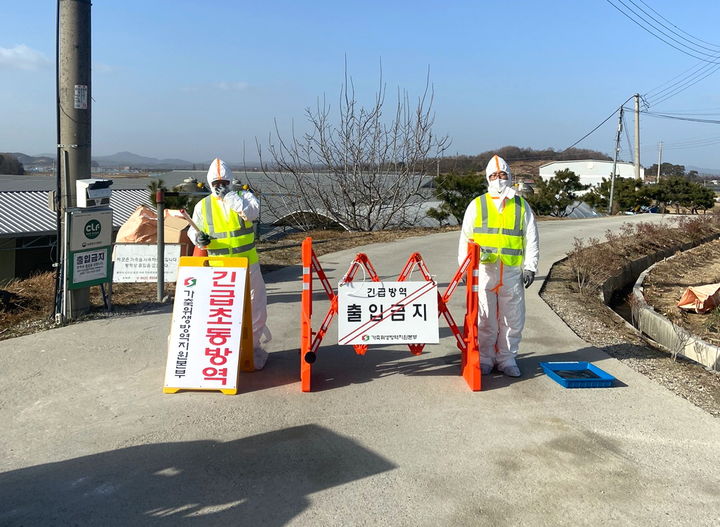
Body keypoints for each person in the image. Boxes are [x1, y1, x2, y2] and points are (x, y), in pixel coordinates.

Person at [457, 155, 539, 377]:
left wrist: (530, 266)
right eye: (494, 175)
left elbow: (530, 238)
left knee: (512, 318)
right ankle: (485, 358)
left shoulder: (521, 205)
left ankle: (507, 359)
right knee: (485, 318)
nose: (499, 179)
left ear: (510, 177)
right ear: (487, 178)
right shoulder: (477, 205)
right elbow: (466, 238)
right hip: (484, 271)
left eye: (502, 175)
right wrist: (464, 268)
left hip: (511, 271)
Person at [188, 158, 271, 370]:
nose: (220, 186)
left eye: (224, 182)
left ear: (231, 180)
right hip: (219, 268)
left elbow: (251, 213)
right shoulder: (203, 205)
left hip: (247, 265)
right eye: (216, 183)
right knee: (221, 314)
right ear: (209, 183)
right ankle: (224, 353)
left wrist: (231, 197)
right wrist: (198, 239)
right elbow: (193, 230)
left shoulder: (244, 197)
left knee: (256, 308)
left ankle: (250, 350)